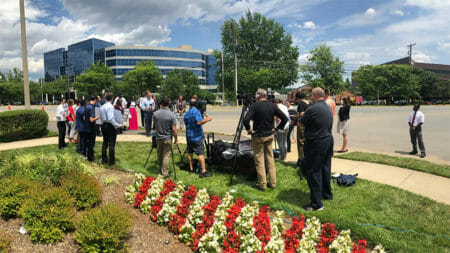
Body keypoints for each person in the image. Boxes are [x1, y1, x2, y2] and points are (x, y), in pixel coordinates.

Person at [243, 89, 288, 191]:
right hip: (269, 135)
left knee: (259, 160)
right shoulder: (272, 105)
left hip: (258, 136)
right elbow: (285, 118)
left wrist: (249, 130)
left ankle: (262, 184)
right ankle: (273, 183)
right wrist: (277, 128)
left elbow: (245, 120)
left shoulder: (255, 106)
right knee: (270, 158)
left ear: (258, 96)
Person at [299, 87, 334, 211]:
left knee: (313, 171)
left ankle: (316, 204)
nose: (310, 98)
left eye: (311, 96)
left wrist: (302, 117)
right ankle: (327, 194)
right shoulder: (327, 106)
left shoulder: (312, 108)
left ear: (315, 95)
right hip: (328, 139)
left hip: (316, 142)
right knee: (325, 168)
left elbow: (301, 123)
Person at [184, 98, 213, 178]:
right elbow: (198, 122)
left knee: (190, 152)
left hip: (189, 136)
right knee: (200, 153)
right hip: (196, 137)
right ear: (196, 104)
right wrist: (207, 119)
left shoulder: (187, 113)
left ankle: (191, 168)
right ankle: (203, 171)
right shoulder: (196, 112)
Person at [153, 97, 178, 178]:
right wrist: (176, 139)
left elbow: (155, 126)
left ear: (161, 103)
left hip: (158, 137)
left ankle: (161, 169)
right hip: (167, 137)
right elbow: (174, 129)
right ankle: (165, 173)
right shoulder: (171, 114)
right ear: (169, 103)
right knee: (166, 155)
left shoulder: (155, 114)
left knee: (159, 154)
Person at [100, 92, 122, 165]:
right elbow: (111, 119)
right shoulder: (110, 106)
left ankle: (104, 159)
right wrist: (118, 125)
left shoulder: (102, 106)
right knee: (111, 144)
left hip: (103, 125)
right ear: (112, 98)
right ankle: (111, 161)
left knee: (105, 142)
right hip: (110, 125)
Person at [294, 93, 310, 166]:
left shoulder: (301, 104)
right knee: (306, 142)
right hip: (308, 125)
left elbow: (302, 114)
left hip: (302, 125)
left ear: (298, 98)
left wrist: (295, 117)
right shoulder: (309, 103)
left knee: (301, 142)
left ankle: (301, 160)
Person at [85, 97, 101, 161]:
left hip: (86, 127)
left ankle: (88, 155)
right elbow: (91, 119)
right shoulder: (92, 108)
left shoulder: (87, 106)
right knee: (91, 143)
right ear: (94, 100)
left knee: (88, 142)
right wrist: (99, 117)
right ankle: (91, 157)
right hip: (91, 128)